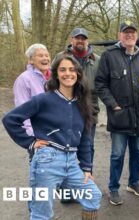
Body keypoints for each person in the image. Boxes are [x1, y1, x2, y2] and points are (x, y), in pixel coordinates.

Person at [2, 55, 102, 220]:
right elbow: (10, 119)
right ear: (55, 74)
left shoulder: (82, 103)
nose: (67, 73)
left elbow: (85, 138)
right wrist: (30, 142)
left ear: (78, 73)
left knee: (92, 196)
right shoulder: (43, 100)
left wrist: (86, 167)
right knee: (42, 214)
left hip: (72, 163)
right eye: (62, 70)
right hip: (46, 162)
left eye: (72, 69)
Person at [95, 20, 139, 205]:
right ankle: (113, 188)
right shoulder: (109, 56)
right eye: (125, 32)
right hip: (119, 116)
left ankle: (133, 182)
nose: (129, 35)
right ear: (120, 35)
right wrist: (112, 104)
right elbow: (101, 84)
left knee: (137, 151)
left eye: (132, 32)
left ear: (137, 36)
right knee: (117, 154)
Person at [55, 27, 100, 168]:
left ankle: (87, 177)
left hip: (89, 110)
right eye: (77, 37)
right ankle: (66, 179)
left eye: (83, 38)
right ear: (71, 39)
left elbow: (103, 83)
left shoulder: (97, 60)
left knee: (88, 146)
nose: (80, 40)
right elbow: (52, 81)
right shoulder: (60, 57)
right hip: (65, 109)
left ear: (87, 41)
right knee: (65, 145)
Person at [13, 43, 51, 136]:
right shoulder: (24, 79)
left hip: (57, 132)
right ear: (31, 60)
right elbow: (22, 109)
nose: (45, 58)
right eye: (40, 55)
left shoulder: (56, 77)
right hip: (38, 133)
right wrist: (32, 135)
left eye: (47, 55)